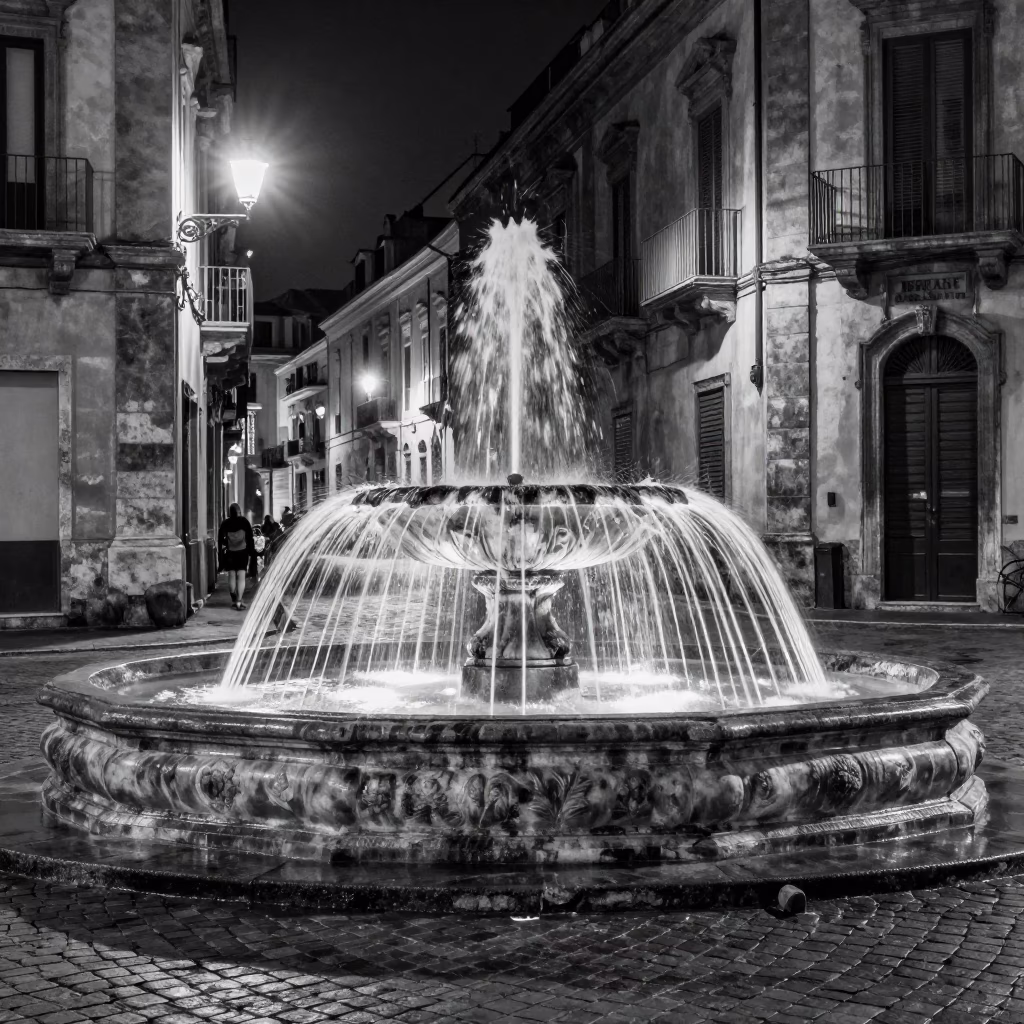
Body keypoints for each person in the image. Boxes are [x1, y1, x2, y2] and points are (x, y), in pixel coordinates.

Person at [218, 502, 256, 610]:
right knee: (241, 576)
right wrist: (251, 552)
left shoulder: (225, 523)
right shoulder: (244, 522)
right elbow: (250, 538)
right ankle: (239, 601)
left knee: (231, 575)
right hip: (242, 552)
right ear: (239, 511)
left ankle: (233, 597)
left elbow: (221, 540)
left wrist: (223, 550)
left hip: (230, 553)